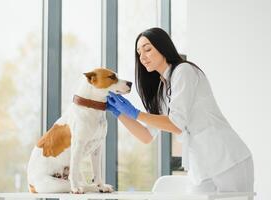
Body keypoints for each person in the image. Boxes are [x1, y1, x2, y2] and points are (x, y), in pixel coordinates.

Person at [107, 27, 254, 193]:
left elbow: (176, 124)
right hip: (201, 167)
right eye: (139, 53)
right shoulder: (162, 89)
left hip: (228, 158)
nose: (142, 57)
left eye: (147, 49)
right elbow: (147, 136)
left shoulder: (184, 71)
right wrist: (119, 113)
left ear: (163, 47)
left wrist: (135, 112)